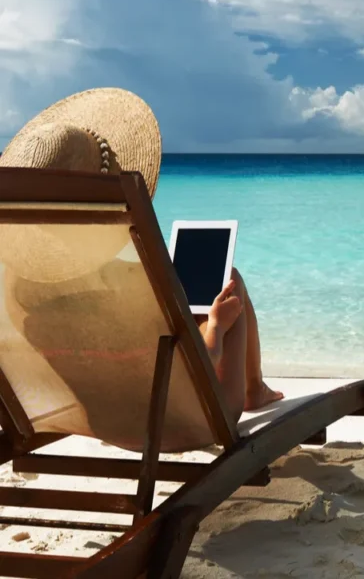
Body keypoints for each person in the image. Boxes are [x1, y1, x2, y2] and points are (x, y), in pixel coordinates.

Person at [0, 87, 282, 418]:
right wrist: (218, 328)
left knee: (184, 306)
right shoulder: (129, 287)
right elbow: (193, 372)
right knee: (229, 280)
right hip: (180, 423)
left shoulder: (23, 293)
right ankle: (253, 390)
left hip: (101, 419)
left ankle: (252, 383)